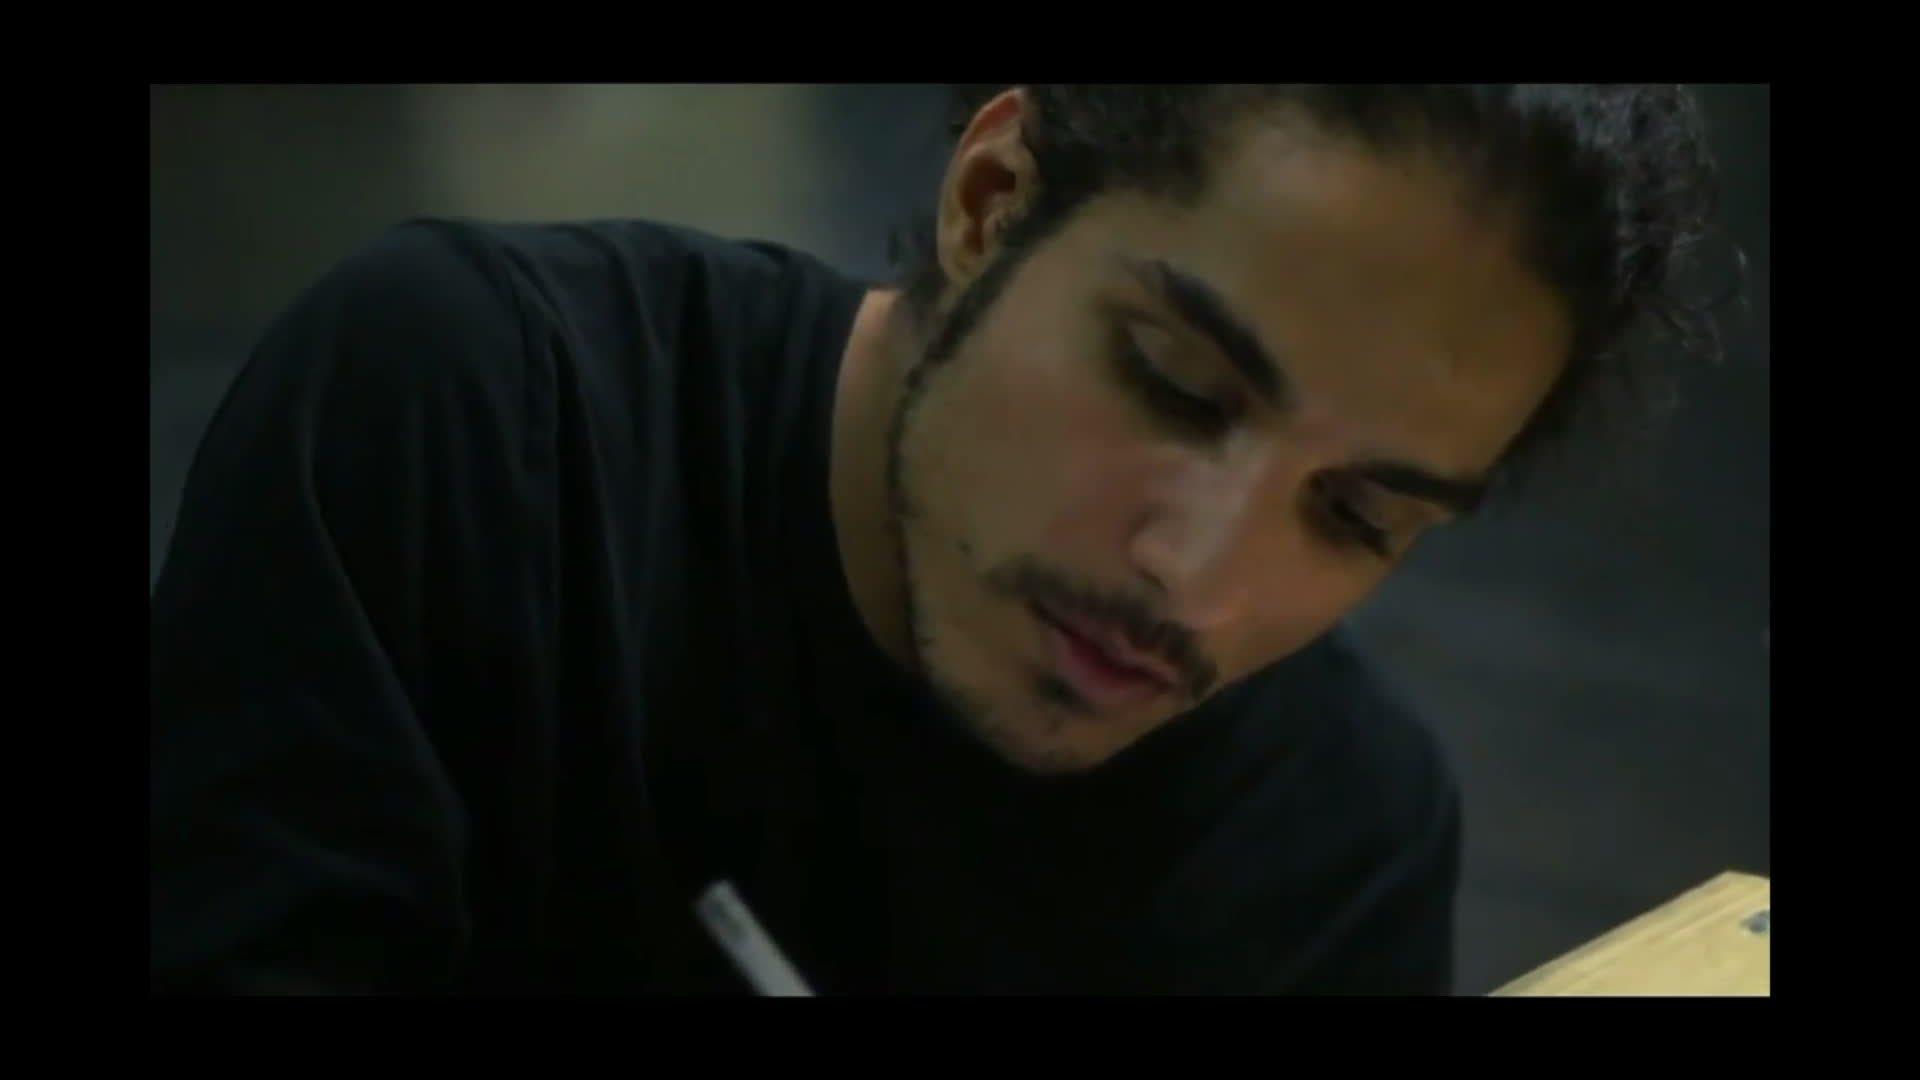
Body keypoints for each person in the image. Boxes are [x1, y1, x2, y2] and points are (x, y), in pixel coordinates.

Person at [149, 85, 1727, 995]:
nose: (1197, 578)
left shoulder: (1331, 850)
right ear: (991, 198)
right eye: (1175, 385)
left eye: (1357, 516)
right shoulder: (484, 413)